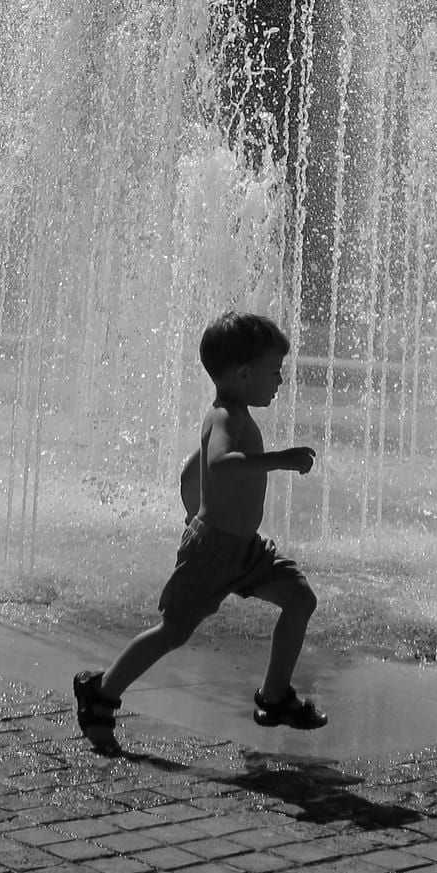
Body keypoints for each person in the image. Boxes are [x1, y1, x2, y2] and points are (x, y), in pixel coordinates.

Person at [73, 310, 326, 741]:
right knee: (173, 632)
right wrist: (281, 460)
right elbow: (221, 465)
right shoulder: (226, 416)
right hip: (212, 553)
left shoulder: (235, 414)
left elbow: (196, 470)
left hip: (245, 550)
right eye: (274, 371)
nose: (280, 380)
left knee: (300, 599)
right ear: (245, 374)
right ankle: (100, 692)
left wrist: (192, 499)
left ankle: (274, 695)